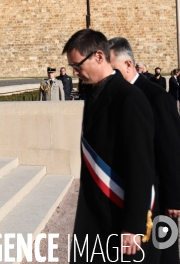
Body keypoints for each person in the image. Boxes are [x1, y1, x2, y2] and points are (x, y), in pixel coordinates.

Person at [62, 29, 154, 262]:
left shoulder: (129, 98)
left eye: (78, 65)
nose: (75, 72)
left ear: (99, 57)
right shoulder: (93, 93)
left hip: (116, 213)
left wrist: (133, 225)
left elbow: (140, 165)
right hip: (95, 211)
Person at [109, 37, 180, 263]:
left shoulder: (156, 97)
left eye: (113, 71)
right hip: (132, 192)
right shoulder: (116, 96)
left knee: (164, 254)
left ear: (128, 65)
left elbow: (171, 150)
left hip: (158, 197)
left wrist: (174, 199)